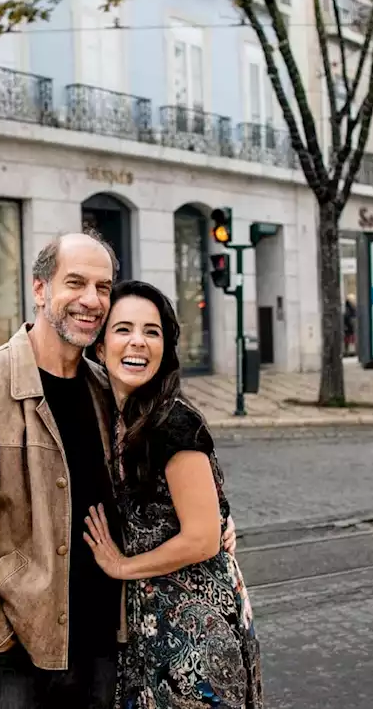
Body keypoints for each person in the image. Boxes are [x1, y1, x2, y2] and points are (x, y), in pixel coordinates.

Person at [0, 232, 235, 709]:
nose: (91, 300)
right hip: (17, 661)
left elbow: (164, 486)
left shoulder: (109, 391)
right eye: (76, 283)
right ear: (40, 289)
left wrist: (219, 524)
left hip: (105, 653)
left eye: (103, 287)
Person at [84, 280, 263, 709]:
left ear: (166, 347)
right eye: (123, 329)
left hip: (196, 638)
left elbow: (201, 538)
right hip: (150, 630)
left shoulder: (173, 422)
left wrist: (123, 566)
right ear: (100, 345)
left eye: (152, 331)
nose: (138, 342)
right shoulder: (115, 415)